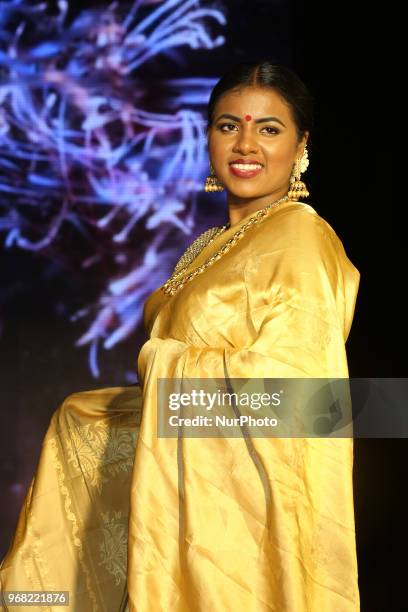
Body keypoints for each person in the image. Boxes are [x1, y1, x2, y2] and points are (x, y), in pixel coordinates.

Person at [0, 60, 360, 611]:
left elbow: (301, 401)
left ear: (301, 145)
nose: (246, 145)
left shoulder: (300, 239)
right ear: (208, 137)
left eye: (269, 129)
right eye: (227, 125)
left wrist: (166, 363)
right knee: (79, 415)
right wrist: (96, 419)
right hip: (180, 506)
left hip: (245, 523)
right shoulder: (210, 244)